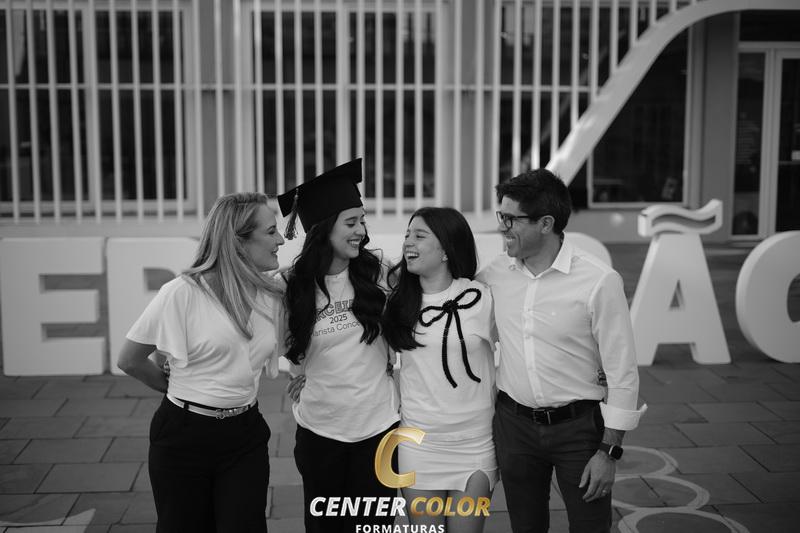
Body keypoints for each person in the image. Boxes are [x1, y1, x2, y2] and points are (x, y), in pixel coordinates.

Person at [477, 169, 646, 533]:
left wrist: (609, 452)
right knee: (526, 527)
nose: (503, 228)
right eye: (501, 216)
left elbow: (622, 371)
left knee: (589, 527)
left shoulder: (599, 280)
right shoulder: (494, 274)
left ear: (546, 224)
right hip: (514, 427)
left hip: (578, 430)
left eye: (511, 219)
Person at [117, 192, 286, 532]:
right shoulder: (181, 293)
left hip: (246, 434)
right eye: (270, 232)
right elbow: (130, 360)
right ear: (238, 242)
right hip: (183, 438)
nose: (281, 239)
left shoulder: (272, 294)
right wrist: (177, 388)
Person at [277, 159, 400, 533]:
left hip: (379, 427)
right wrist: (296, 373)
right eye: (351, 223)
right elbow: (282, 344)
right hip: (321, 430)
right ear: (323, 228)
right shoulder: (291, 285)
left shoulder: (379, 271)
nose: (361, 231)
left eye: (362, 221)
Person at [382, 207, 497, 533]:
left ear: (446, 249)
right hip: (419, 444)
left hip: (476, 444)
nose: (408, 242)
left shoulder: (481, 296)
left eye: (419, 236)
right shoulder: (397, 303)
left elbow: (522, 344)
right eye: (407, 234)